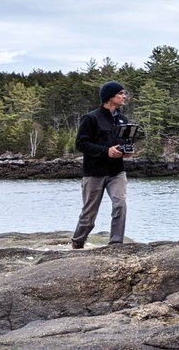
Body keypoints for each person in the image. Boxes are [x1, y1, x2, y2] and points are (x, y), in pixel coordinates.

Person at [70, 80, 133, 248]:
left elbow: (124, 142)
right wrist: (107, 151)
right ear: (109, 97)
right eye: (120, 93)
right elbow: (81, 144)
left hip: (116, 172)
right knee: (89, 214)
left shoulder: (122, 119)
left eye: (123, 93)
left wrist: (126, 151)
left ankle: (115, 244)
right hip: (94, 173)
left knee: (120, 204)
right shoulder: (91, 118)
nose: (124, 96)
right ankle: (78, 242)